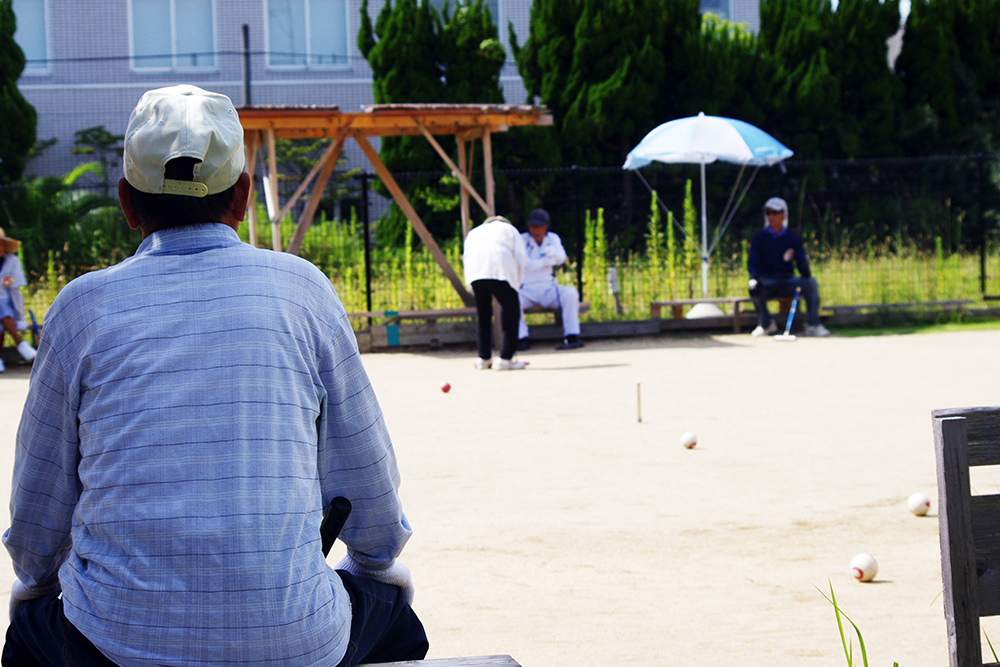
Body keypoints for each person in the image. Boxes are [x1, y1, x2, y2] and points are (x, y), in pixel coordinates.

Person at [3, 85, 427, 667]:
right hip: (295, 641)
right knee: (394, 618)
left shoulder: (81, 309)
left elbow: (35, 529)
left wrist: (39, 580)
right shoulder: (303, 292)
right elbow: (370, 498)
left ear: (127, 202)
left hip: (112, 645)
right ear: (244, 195)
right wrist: (372, 564)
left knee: (31, 629)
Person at [747, 197, 831, 337]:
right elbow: (753, 262)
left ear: (784, 214)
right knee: (754, 287)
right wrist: (754, 277)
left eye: (775, 212)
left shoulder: (792, 237)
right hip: (767, 282)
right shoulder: (759, 238)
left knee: (811, 283)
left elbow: (800, 259)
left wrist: (805, 269)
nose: (771, 216)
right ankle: (766, 324)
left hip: (787, 280)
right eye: (768, 212)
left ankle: (814, 324)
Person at [463, 214, 528, 370]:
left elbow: (466, 257)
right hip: (501, 271)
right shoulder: (510, 229)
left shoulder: (474, 232)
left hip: (476, 273)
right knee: (511, 312)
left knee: (483, 315)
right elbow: (521, 258)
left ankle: (483, 358)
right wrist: (516, 283)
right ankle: (505, 358)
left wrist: (469, 283)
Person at [516, 209, 584, 351]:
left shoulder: (553, 238)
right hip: (526, 289)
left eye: (539, 226)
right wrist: (545, 262)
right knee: (512, 299)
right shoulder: (521, 240)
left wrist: (555, 254)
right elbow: (526, 264)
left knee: (570, 293)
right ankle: (521, 338)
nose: (536, 230)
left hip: (548, 288)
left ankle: (571, 336)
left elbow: (562, 258)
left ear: (546, 227)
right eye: (533, 226)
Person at [0, 228, 37, 373]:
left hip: (7, 309)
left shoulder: (13, 261)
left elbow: (16, 292)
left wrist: (20, 317)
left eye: (2, 244)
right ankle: (20, 342)